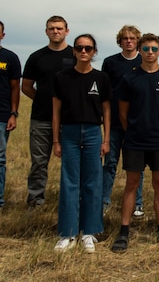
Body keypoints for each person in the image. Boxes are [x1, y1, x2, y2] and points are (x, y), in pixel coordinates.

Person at [111, 33, 159, 253]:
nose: (150, 53)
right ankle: (124, 230)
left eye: (154, 49)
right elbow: (123, 113)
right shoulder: (129, 78)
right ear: (140, 51)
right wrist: (132, 129)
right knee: (131, 183)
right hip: (134, 139)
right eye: (146, 49)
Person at [51, 34, 111, 253]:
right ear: (74, 51)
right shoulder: (62, 77)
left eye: (88, 48)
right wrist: (56, 139)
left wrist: (106, 139)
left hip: (94, 132)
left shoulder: (102, 78)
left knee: (92, 182)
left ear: (94, 52)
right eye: (79, 48)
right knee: (69, 183)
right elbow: (56, 110)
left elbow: (106, 110)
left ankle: (89, 232)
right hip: (69, 132)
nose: (84, 52)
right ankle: (67, 233)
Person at [22, 15, 75, 209]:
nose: (56, 31)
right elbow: (26, 86)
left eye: (59, 28)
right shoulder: (37, 57)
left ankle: (68, 202)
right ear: (46, 31)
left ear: (67, 31)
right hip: (41, 119)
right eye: (52, 28)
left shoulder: (75, 55)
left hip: (69, 119)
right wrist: (45, 101)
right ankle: (35, 201)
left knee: (70, 164)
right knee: (39, 162)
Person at [101, 25, 145, 218]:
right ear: (120, 41)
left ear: (138, 41)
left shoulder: (144, 61)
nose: (129, 41)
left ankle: (138, 203)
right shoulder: (110, 63)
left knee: (136, 166)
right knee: (110, 162)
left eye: (133, 38)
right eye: (125, 38)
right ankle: (103, 201)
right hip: (115, 123)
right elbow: (105, 93)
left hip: (137, 124)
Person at [0, 21, 21, 212]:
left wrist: (13, 113)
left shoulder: (10, 58)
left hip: (2, 115)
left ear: (2, 35)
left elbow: (16, 87)